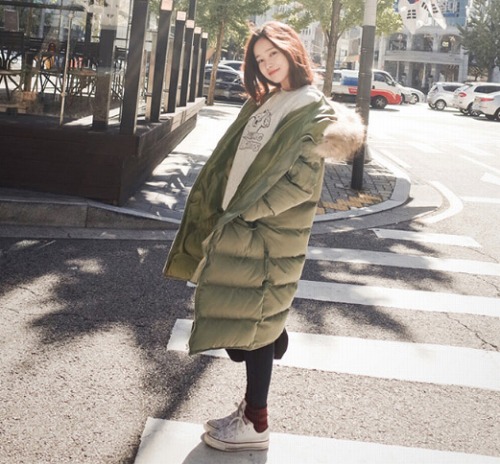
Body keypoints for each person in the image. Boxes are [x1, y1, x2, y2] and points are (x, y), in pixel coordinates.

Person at [163, 21, 364, 452]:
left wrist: (248, 212)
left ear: (293, 51)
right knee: (244, 323)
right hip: (239, 226)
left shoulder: (310, 108)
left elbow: (300, 187)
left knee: (251, 328)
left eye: (274, 53)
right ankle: (272, 344)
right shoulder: (267, 99)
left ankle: (256, 422)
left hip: (266, 235)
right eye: (260, 58)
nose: (268, 63)